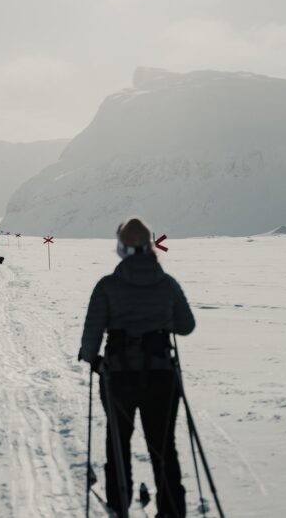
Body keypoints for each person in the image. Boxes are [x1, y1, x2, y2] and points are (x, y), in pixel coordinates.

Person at [79, 217, 195, 518]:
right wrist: (159, 320)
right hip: (161, 377)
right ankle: (171, 509)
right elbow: (186, 325)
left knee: (118, 441)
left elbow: (91, 338)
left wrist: (93, 359)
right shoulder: (167, 284)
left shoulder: (107, 286)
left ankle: (119, 502)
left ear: (121, 248)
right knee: (163, 445)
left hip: (118, 378)